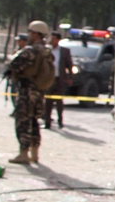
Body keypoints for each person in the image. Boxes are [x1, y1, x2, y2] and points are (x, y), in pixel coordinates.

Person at [5, 21, 54, 164]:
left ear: (36, 34)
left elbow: (14, 65)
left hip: (27, 91)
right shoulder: (46, 51)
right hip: (39, 91)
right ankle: (35, 153)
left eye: (31, 32)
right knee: (34, 121)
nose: (29, 35)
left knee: (23, 121)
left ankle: (23, 153)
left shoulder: (30, 51)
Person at [43, 31, 73, 129]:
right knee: (48, 102)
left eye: (54, 38)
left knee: (59, 102)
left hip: (59, 79)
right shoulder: (47, 50)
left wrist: (70, 77)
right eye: (51, 38)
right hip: (48, 80)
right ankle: (47, 122)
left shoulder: (64, 51)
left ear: (59, 40)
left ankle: (60, 121)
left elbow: (69, 65)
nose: (52, 40)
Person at [8, 33, 29, 116]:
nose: (18, 42)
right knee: (13, 93)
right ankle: (16, 109)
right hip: (15, 76)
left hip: (22, 77)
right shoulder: (17, 50)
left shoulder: (26, 52)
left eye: (19, 41)